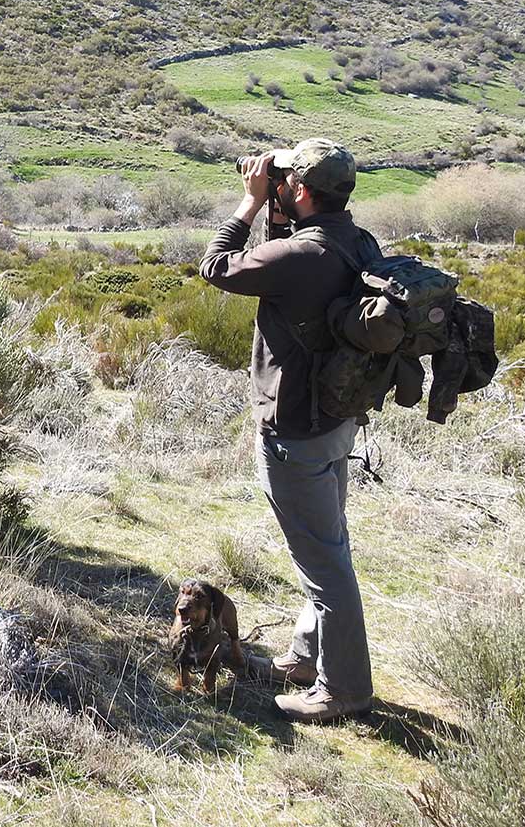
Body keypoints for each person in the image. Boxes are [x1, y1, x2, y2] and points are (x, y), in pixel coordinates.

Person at [199, 137, 377, 723]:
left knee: (325, 566)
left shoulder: (300, 257)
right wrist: (280, 217)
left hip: (295, 429)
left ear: (299, 190)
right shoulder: (355, 243)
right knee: (328, 546)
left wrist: (248, 205)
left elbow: (217, 267)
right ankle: (307, 657)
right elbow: (292, 270)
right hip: (336, 421)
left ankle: (344, 690)